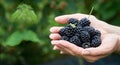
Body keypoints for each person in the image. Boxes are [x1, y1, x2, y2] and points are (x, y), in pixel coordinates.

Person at [49, 13, 120, 63]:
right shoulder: (77, 30)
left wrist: (117, 44)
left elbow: (84, 33)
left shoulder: (84, 32)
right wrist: (110, 30)